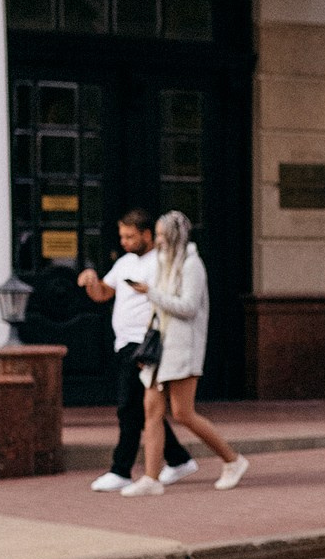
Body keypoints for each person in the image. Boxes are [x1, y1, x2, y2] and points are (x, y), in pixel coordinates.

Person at [120, 210, 248, 495]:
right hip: (159, 349)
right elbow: (159, 310)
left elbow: (188, 307)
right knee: (151, 411)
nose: (160, 241)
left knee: (183, 413)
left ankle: (233, 460)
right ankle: (151, 479)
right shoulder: (164, 263)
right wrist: (146, 344)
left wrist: (151, 293)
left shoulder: (192, 265)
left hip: (182, 348)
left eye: (164, 235)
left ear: (176, 236)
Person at [78, 209, 194, 491]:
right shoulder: (124, 263)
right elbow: (104, 293)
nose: (125, 241)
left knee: (128, 407)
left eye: (130, 236)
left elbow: (174, 300)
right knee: (143, 409)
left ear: (146, 234)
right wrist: (92, 283)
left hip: (145, 343)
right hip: (123, 342)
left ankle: (121, 469)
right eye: (122, 236)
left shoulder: (162, 262)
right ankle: (178, 459)